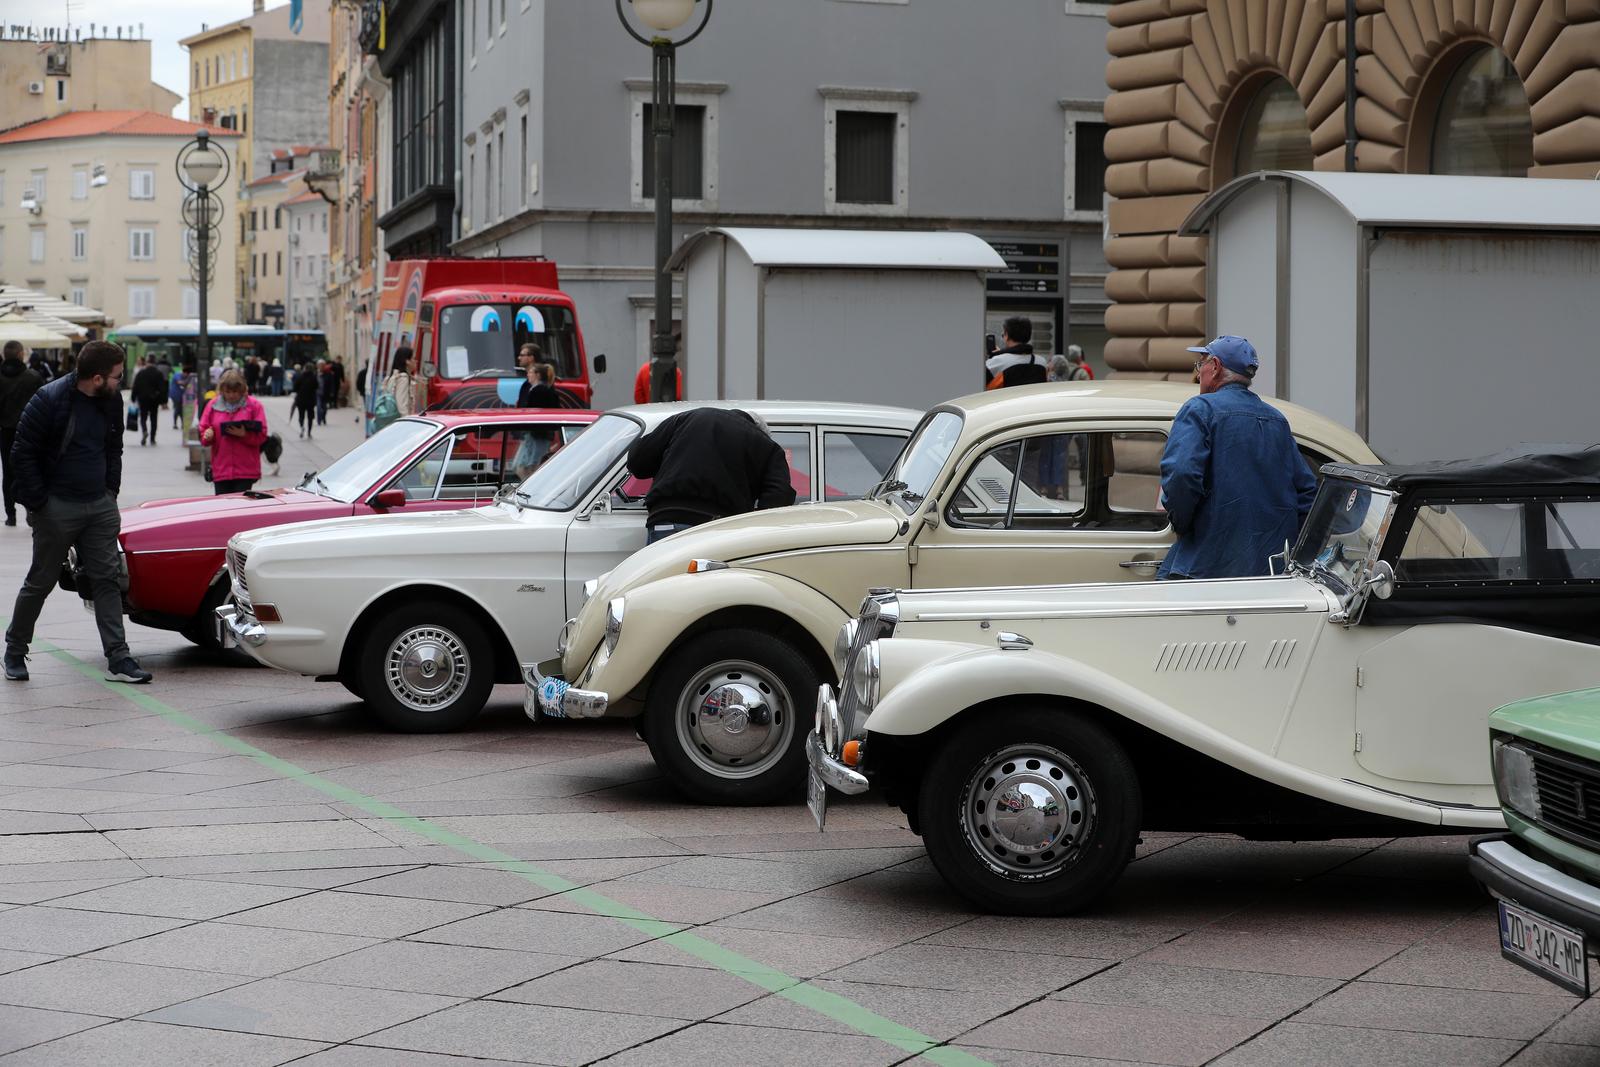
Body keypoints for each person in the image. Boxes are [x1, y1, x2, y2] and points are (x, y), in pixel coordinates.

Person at [5, 340, 151, 684]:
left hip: (99, 505)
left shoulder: (110, 400)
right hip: (56, 506)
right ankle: (14, 649)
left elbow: (113, 447)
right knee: (40, 581)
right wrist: (40, 502)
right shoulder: (49, 399)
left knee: (107, 580)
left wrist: (109, 491)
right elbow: (21, 454)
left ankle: (118, 658)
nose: (121, 381)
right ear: (97, 378)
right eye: (117, 376)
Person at [1157, 335, 1316, 580]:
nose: (1199, 374)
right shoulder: (1276, 419)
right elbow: (1307, 493)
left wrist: (1182, 524)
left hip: (1206, 568)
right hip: (1270, 573)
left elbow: (1181, 475)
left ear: (1216, 366)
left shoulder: (1200, 409)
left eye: (1201, 365)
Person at [627, 407, 795, 545]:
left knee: (662, 584)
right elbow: (778, 498)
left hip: (666, 520)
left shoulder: (685, 418)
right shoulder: (766, 446)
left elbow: (638, 462)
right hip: (718, 530)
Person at [200, 368, 268, 495]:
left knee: (241, 510)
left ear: (242, 390)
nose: (231, 395)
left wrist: (244, 435)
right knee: (224, 510)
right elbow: (204, 431)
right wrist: (208, 436)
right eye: (228, 391)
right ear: (222, 390)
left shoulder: (254, 406)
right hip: (221, 469)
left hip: (245, 470)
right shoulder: (212, 406)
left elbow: (262, 435)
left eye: (235, 391)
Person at [0, 341, 45, 527]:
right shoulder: (33, 377)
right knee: (28, 470)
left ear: (4, 355)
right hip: (28, 431)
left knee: (7, 473)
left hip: (4, 431)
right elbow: (43, 404)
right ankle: (30, 510)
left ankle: (10, 515)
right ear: (20, 354)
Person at [984, 317, 1046, 389]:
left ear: (1006, 335)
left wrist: (996, 356)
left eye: (1003, 334)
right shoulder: (1042, 362)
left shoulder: (996, 362)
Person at [130, 356, 167, 446]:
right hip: (154, 399)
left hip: (143, 399)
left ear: (147, 362)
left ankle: (145, 431)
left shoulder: (141, 373)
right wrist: (163, 401)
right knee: (154, 418)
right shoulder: (158, 373)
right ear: (154, 363)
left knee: (143, 417)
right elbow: (162, 388)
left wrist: (133, 397)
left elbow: (136, 386)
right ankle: (152, 439)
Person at [383, 348, 418, 417]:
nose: (416, 361)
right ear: (407, 361)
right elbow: (401, 406)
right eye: (414, 358)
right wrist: (406, 422)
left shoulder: (394, 376)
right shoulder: (403, 378)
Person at [292, 360, 319, 438]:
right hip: (310, 400)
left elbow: (295, 388)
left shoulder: (300, 376)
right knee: (310, 417)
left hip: (301, 400)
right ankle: (309, 432)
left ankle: (302, 427)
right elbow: (316, 386)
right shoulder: (314, 377)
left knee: (301, 416)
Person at [168, 363, 189, 430]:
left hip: (180, 395)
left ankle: (179, 424)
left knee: (180, 409)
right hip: (175, 394)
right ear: (184, 372)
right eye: (186, 374)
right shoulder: (177, 375)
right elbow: (180, 382)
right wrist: (188, 381)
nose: (186, 376)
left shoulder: (183, 376)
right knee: (178, 409)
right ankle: (176, 423)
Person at [317, 360, 335, 426]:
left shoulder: (328, 373)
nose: (321, 367)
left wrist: (332, 391)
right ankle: (319, 420)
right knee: (319, 406)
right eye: (320, 365)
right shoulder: (316, 373)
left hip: (325, 393)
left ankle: (323, 417)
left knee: (324, 408)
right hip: (317, 393)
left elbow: (332, 383)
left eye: (322, 365)